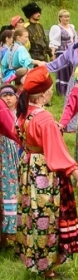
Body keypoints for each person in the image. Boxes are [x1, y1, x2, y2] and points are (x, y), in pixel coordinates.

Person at [14, 66, 78, 279]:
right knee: (46, 214)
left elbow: (16, 133)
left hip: (29, 165)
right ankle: (46, 267)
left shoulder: (23, 112)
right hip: (44, 171)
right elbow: (57, 153)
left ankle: (33, 258)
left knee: (31, 212)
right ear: (43, 94)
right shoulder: (44, 118)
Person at [0, 85, 19, 249]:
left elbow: (13, 130)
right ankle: (7, 232)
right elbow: (14, 131)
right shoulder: (2, 109)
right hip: (3, 151)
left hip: (5, 150)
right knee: (7, 186)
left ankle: (7, 233)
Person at [48, 10, 76, 96]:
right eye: (64, 17)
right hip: (62, 53)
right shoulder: (56, 28)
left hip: (72, 53)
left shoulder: (71, 27)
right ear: (60, 18)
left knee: (73, 71)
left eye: (68, 16)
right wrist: (52, 54)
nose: (67, 18)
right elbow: (54, 42)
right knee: (64, 71)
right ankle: (63, 91)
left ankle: (73, 89)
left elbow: (75, 40)